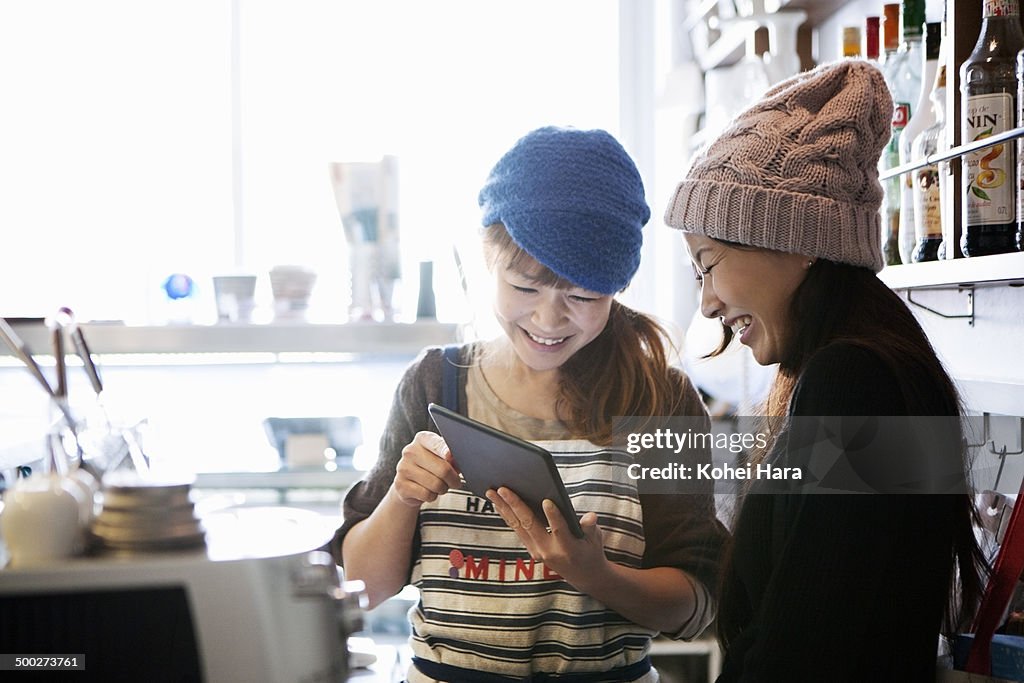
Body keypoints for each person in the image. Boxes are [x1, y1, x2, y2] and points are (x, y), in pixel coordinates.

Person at [332, 126, 728, 682]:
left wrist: (598, 576)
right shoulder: (433, 385)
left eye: (582, 297)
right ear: (489, 260)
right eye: (524, 288)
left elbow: (697, 604)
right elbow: (362, 588)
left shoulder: (660, 400)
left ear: (616, 290)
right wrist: (401, 496)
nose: (548, 320)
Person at [663, 59, 986, 681]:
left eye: (707, 264)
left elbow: (801, 654)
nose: (706, 302)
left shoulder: (851, 380)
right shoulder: (871, 361)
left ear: (796, 239)